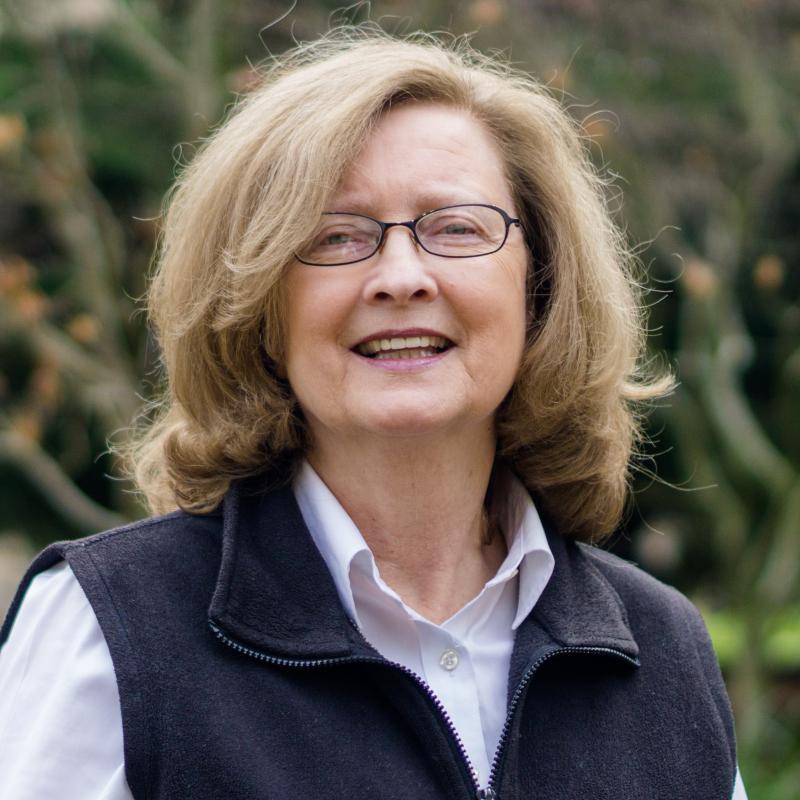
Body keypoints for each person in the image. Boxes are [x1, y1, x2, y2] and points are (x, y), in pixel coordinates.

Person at [0, 27, 746, 800]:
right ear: (257, 303)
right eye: (335, 236)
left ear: (542, 284)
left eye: (456, 227)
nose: (400, 276)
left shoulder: (662, 652)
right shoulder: (110, 631)